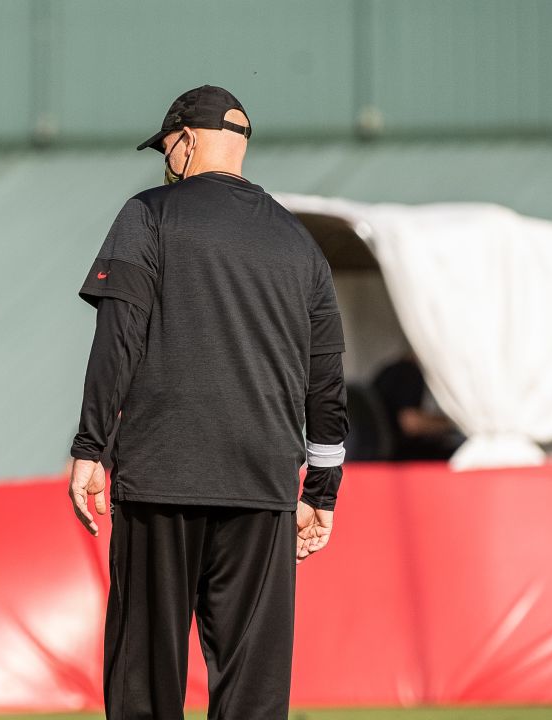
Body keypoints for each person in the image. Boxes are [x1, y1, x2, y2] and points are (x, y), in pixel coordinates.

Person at [67, 85, 348, 719]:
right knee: (252, 690)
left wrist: (90, 447)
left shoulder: (148, 214)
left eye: (166, 149)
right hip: (263, 489)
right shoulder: (302, 246)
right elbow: (326, 379)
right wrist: (323, 489)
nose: (165, 163)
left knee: (144, 677)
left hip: (161, 478)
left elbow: (118, 337)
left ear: (187, 140)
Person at [373, 352, 463, 460]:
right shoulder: (409, 372)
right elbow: (411, 423)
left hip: (381, 455)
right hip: (402, 456)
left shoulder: (389, 370)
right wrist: (456, 423)